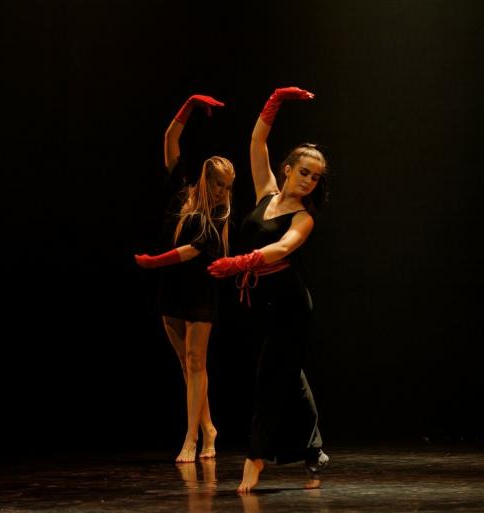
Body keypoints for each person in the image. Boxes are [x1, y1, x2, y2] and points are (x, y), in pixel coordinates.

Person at [208, 87, 329, 492]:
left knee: (269, 377)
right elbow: (257, 141)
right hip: (261, 302)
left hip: (291, 305)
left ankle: (254, 459)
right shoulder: (266, 193)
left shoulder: (304, 217)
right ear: (288, 168)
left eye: (316, 177)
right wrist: (274, 102)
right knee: (289, 375)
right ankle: (313, 451)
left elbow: (283, 247)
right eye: (304, 172)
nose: (309, 181)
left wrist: (240, 262)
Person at [135, 94, 235, 462]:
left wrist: (153, 262)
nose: (225, 192)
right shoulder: (182, 192)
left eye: (229, 186)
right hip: (172, 289)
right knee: (186, 364)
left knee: (196, 362)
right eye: (220, 184)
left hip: (200, 293)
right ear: (207, 180)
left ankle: (193, 438)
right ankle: (209, 427)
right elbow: (170, 141)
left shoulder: (219, 216)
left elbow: (191, 251)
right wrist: (189, 107)